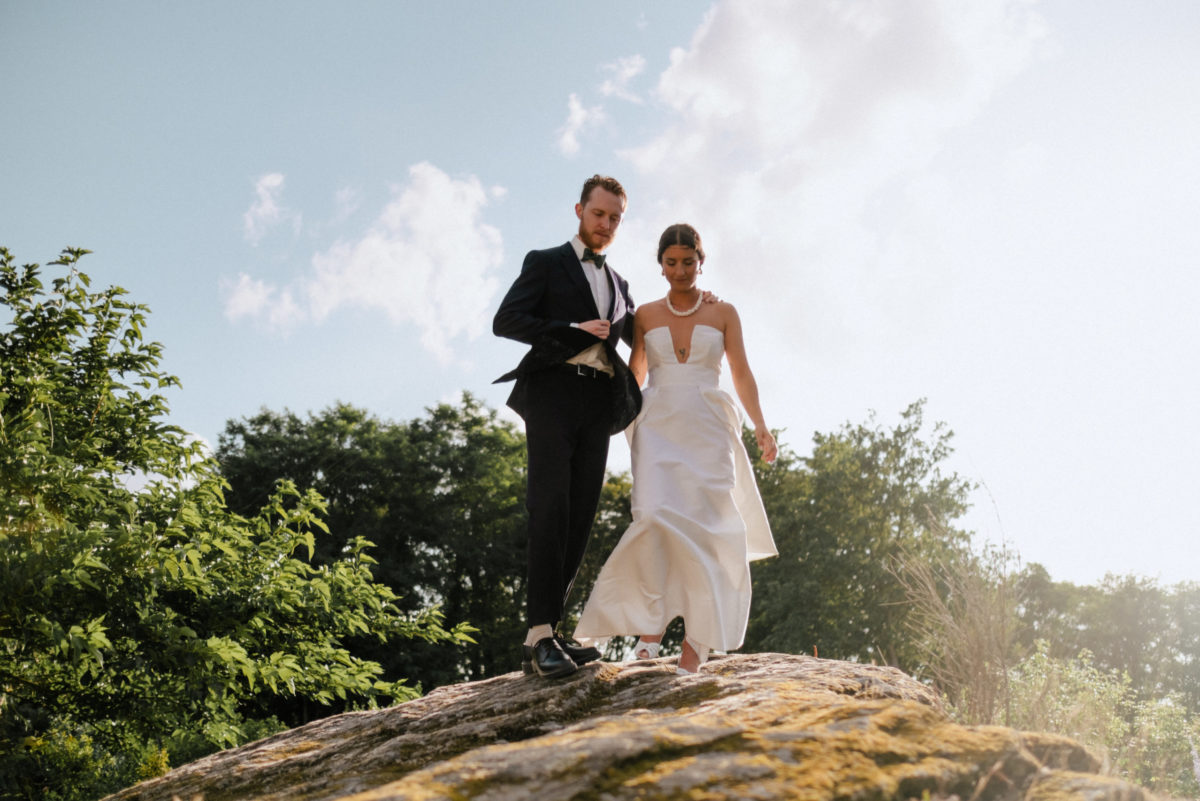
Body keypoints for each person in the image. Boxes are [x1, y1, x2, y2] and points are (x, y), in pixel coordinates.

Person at [574, 222, 778, 675]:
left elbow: (741, 372)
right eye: (672, 262)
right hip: (659, 425)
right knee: (654, 518)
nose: (681, 270)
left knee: (711, 529)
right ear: (661, 264)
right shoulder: (644, 314)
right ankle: (648, 632)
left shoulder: (724, 313)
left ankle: (694, 648)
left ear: (701, 263)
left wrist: (761, 425)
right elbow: (636, 372)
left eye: (689, 262)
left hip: (707, 425)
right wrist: (611, 420)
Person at [492, 175, 642, 678]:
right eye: (599, 214)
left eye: (615, 218)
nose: (606, 224)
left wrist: (701, 301)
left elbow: (652, 331)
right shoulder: (546, 262)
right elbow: (506, 320)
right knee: (549, 506)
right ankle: (538, 636)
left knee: (580, 516)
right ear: (579, 210)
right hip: (553, 393)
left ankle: (553, 631)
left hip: (599, 403)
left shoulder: (621, 286)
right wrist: (570, 331)